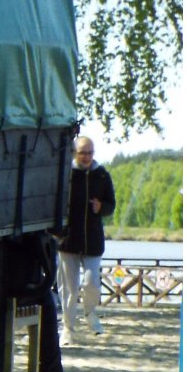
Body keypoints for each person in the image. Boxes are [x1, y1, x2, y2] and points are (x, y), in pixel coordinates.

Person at [56, 136, 116, 355]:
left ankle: (91, 313)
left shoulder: (102, 175)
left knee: (92, 283)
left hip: (92, 240)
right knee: (69, 289)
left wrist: (101, 207)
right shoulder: (66, 175)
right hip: (68, 240)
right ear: (74, 153)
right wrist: (56, 233)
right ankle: (68, 329)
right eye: (83, 153)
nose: (87, 157)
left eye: (90, 152)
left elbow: (111, 205)